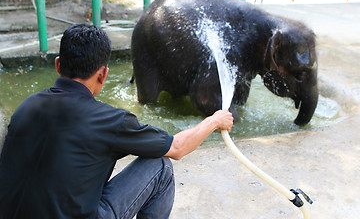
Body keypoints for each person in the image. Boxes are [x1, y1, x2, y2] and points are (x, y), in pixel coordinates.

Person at [0, 24, 233, 219]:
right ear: (103, 74)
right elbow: (178, 148)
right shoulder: (110, 120)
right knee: (160, 166)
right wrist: (214, 120)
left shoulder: (27, 105)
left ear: (58, 65)